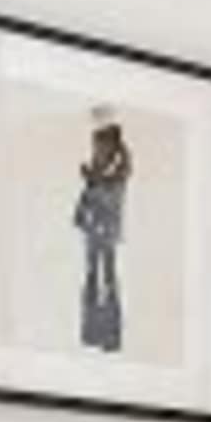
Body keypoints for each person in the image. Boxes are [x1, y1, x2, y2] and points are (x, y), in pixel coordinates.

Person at [73, 110, 131, 354]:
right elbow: (95, 187)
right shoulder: (103, 150)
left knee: (105, 276)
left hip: (104, 225)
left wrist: (92, 180)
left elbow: (112, 188)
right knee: (94, 275)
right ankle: (93, 334)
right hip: (95, 224)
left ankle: (108, 336)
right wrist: (82, 207)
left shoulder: (119, 155)